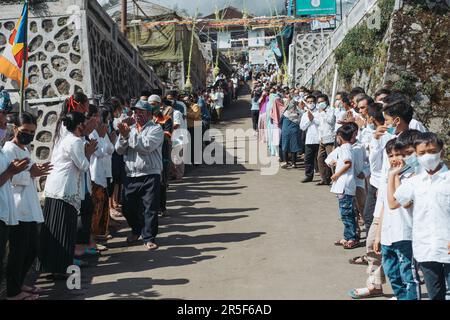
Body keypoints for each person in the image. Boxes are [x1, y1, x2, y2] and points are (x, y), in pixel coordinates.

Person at [390, 132, 450, 300]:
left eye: (432, 151)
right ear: (416, 155)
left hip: (447, 247)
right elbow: (394, 202)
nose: (427, 157)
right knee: (435, 294)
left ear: (441, 152)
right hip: (425, 249)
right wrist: (392, 175)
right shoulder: (415, 182)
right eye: (422, 153)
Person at [39, 112, 97, 277]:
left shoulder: (65, 139)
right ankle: (61, 267)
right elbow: (84, 165)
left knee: (57, 229)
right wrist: (89, 152)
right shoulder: (75, 141)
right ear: (79, 125)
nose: (87, 125)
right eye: (85, 122)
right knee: (64, 229)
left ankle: (55, 266)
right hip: (64, 190)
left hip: (56, 189)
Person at [116, 100, 164, 250]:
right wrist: (124, 137)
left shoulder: (156, 129)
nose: (137, 115)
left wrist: (128, 135)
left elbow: (145, 147)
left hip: (150, 173)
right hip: (131, 174)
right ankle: (136, 230)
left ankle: (149, 237)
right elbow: (118, 150)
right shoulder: (128, 129)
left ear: (149, 114)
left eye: (141, 112)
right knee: (127, 207)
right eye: (135, 112)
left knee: (149, 207)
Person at [326, 124, 359, 249]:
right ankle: (347, 236)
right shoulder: (346, 147)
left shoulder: (345, 147)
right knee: (345, 213)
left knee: (347, 213)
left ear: (339, 137)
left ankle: (352, 237)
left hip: (344, 185)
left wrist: (336, 175)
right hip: (343, 185)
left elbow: (348, 164)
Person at [89, 105, 115, 249]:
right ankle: (92, 242)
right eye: (96, 116)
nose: (98, 119)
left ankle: (97, 238)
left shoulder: (99, 132)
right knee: (95, 209)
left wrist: (106, 138)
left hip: (103, 173)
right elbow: (99, 152)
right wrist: (100, 136)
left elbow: (110, 148)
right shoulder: (93, 133)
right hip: (94, 175)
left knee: (101, 208)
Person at [152, 95, 173, 217]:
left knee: (161, 181)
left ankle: (162, 207)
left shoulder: (166, 119)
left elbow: (167, 135)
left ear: (160, 105)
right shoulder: (147, 120)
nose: (152, 106)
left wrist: (154, 135)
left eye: (154, 104)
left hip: (162, 153)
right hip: (150, 154)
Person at [300, 95, 320, 183]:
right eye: (308, 102)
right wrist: (309, 120)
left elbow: (321, 124)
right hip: (309, 140)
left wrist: (313, 119)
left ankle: (325, 177)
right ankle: (308, 175)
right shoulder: (305, 114)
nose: (310, 104)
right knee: (308, 159)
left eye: (312, 102)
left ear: (315, 102)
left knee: (320, 159)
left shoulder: (319, 113)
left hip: (319, 139)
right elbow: (302, 127)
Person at [316, 94, 335, 185]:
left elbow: (330, 121)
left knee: (331, 160)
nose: (320, 104)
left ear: (326, 101)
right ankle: (324, 178)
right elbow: (320, 125)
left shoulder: (331, 111)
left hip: (330, 138)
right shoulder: (319, 112)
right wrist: (319, 138)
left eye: (321, 102)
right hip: (322, 138)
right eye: (318, 102)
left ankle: (335, 178)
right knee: (320, 158)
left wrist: (323, 112)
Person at [280, 97, 303, 168]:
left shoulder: (285, 113)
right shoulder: (299, 113)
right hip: (295, 131)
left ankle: (285, 162)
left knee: (285, 146)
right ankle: (294, 163)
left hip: (286, 131)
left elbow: (280, 121)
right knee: (294, 147)